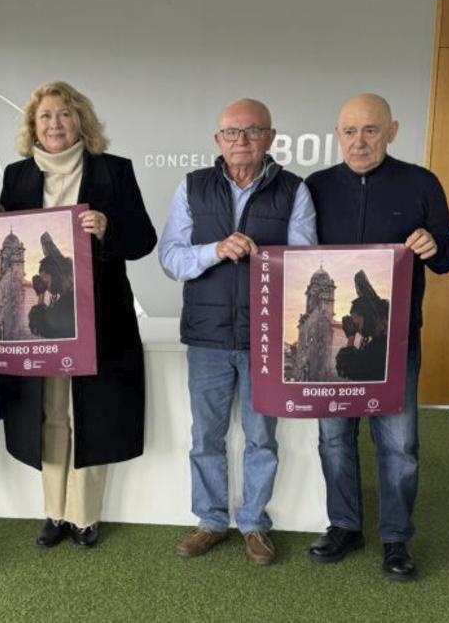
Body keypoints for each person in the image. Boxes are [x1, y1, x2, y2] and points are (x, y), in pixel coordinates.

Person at [304, 93, 449, 581]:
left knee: (399, 445)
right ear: (337, 135)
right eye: (350, 131)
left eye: (370, 130)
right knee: (334, 438)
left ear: (392, 131)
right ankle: (345, 524)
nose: (360, 141)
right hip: (344, 344)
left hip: (397, 344)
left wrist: (435, 245)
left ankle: (396, 537)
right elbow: (297, 255)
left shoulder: (421, 183)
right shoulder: (315, 187)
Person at [0, 81, 156, 550]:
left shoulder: (114, 171)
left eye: (64, 114)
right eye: (45, 117)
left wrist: (109, 229)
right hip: (41, 318)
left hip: (100, 318)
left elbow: (144, 240)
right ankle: (54, 511)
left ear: (80, 120)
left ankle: (84, 515)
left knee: (92, 411)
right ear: (33, 126)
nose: (54, 124)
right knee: (48, 411)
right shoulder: (16, 176)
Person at [159, 98, 317, 566]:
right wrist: (214, 250)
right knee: (206, 436)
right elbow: (171, 258)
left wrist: (262, 255)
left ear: (270, 137)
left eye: (252, 131)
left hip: (266, 338)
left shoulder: (294, 190)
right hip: (206, 336)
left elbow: (305, 264)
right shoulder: (193, 187)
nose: (241, 141)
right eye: (231, 133)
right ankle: (210, 521)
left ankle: (253, 524)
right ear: (217, 140)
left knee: (261, 437)